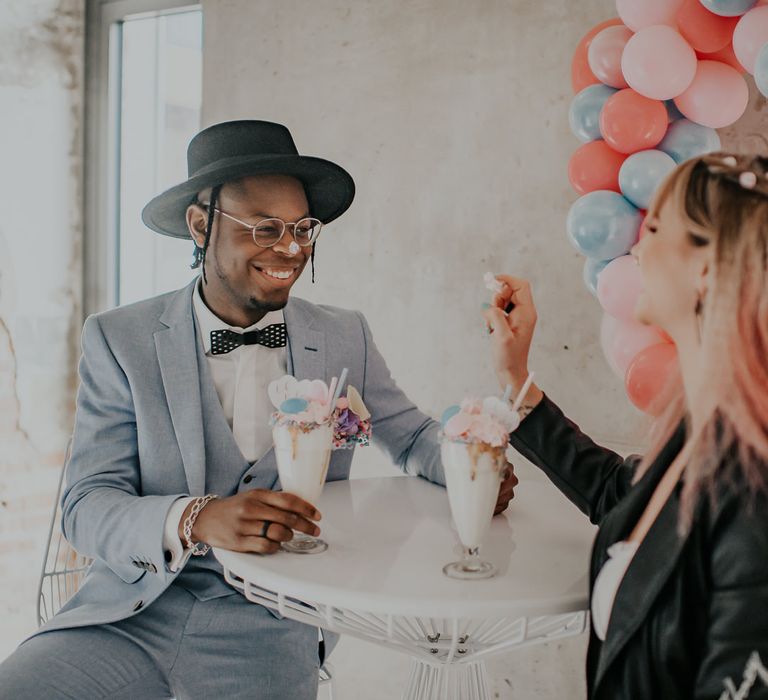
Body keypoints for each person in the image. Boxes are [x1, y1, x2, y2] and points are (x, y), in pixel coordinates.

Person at [0, 120, 517, 700]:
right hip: (132, 614)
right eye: (265, 228)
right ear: (201, 226)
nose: (291, 249)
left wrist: (466, 470)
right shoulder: (121, 339)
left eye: (302, 228)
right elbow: (86, 507)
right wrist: (196, 518)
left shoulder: (344, 337)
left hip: (273, 623)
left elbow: (411, 434)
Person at [483, 153, 768, 699]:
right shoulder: (700, 433)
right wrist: (515, 377)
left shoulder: (755, 487)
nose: (637, 247)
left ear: (706, 270)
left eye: (657, 228)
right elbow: (625, 497)